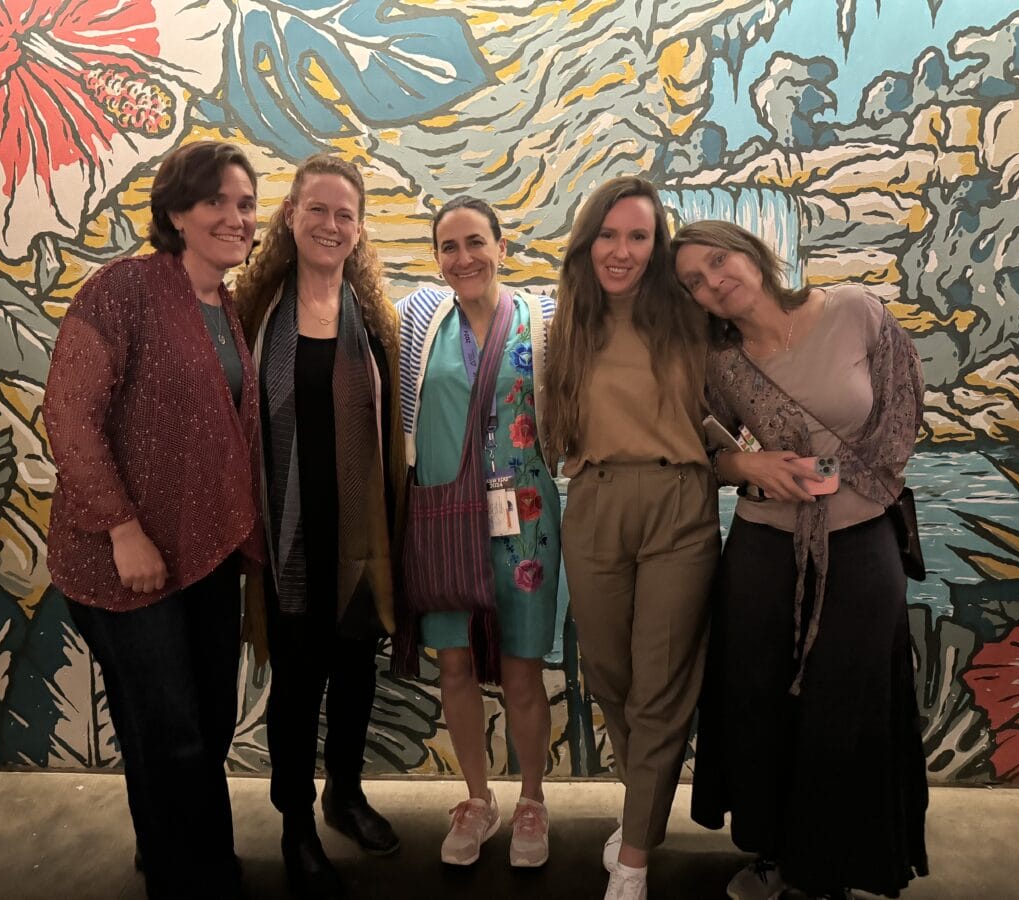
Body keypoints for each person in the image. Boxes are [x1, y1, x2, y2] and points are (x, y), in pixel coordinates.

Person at [672, 220, 929, 900]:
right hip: (763, 548)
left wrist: (840, 480)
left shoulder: (854, 310)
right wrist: (744, 464)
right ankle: (776, 852)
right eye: (694, 281)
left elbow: (903, 411)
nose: (713, 282)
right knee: (761, 703)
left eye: (718, 261)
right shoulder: (717, 361)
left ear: (750, 253)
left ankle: (831, 866)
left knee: (848, 703)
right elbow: (694, 448)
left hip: (863, 540)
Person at [43, 140, 263, 899]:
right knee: (168, 730)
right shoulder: (124, 289)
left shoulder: (227, 307)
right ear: (175, 212)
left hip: (205, 552)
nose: (235, 217)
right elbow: (69, 416)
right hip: (121, 556)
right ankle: (196, 876)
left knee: (205, 721)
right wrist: (122, 528)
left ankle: (173, 851)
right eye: (216, 201)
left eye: (246, 203)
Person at [541, 176, 720, 900]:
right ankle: (642, 810)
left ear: (657, 244)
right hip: (594, 500)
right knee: (611, 676)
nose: (622, 251)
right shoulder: (569, 323)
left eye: (638, 236)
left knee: (661, 686)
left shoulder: (690, 316)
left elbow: (733, 399)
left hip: (680, 503)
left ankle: (636, 856)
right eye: (609, 235)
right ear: (588, 243)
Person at [233, 154, 406, 899]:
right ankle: (295, 824)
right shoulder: (253, 314)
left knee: (357, 677)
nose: (331, 225)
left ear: (358, 230)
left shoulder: (376, 322)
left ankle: (345, 793)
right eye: (317, 210)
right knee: (297, 688)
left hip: (363, 537)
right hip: (289, 538)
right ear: (290, 216)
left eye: (345, 214)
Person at [394, 196, 560, 870]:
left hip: (526, 521)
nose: (463, 258)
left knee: (522, 668)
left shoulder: (541, 319)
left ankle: (531, 800)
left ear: (501, 245)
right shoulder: (420, 321)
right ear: (436, 257)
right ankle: (476, 798)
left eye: (475, 242)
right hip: (443, 516)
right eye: (449, 246)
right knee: (455, 663)